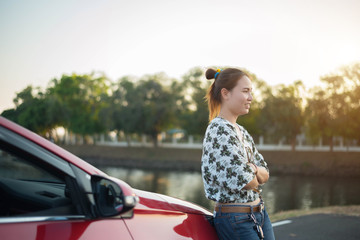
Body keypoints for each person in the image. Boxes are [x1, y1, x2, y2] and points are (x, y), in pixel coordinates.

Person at [201, 68, 275, 240]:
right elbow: (247, 181)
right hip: (236, 219)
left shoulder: (241, 131)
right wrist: (255, 173)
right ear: (226, 93)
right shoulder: (219, 129)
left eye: (251, 92)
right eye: (245, 91)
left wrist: (254, 168)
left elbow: (265, 172)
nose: (251, 98)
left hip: (260, 214)